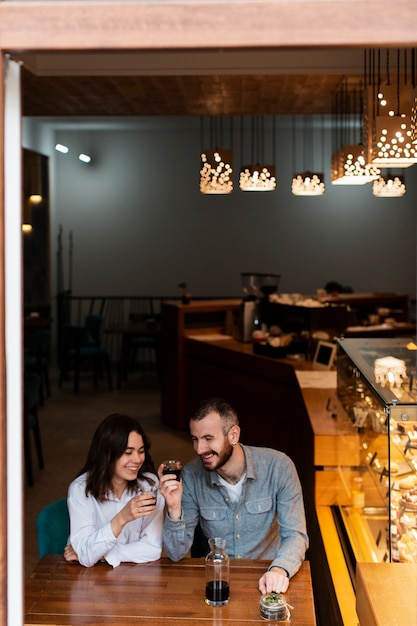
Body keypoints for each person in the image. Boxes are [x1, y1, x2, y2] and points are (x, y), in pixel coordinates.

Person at [159, 397, 308, 595]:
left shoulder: (279, 467)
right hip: (217, 583)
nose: (199, 449)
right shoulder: (192, 476)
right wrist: (174, 509)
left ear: (233, 435)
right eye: (195, 439)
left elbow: (295, 535)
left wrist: (279, 569)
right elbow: (176, 554)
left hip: (269, 580)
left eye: (208, 439)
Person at [65, 413, 164, 567]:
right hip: (91, 581)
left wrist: (101, 555)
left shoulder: (149, 486)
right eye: (128, 452)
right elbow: (86, 555)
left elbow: (153, 548)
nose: (138, 459)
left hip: (136, 577)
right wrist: (122, 517)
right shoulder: (80, 489)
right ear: (107, 455)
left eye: (141, 451)